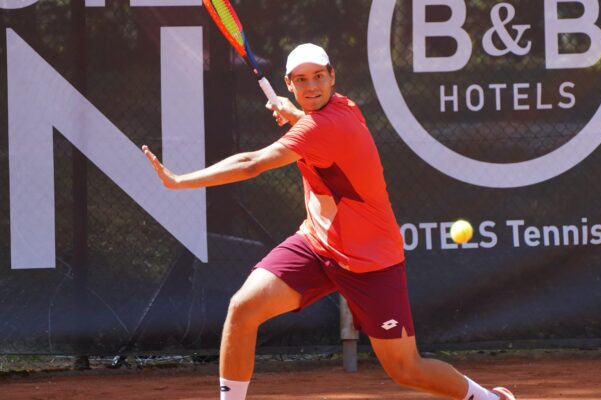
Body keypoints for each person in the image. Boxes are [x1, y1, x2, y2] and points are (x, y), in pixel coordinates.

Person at [142, 43, 515, 400]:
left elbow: (251, 163)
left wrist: (180, 181)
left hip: (371, 262)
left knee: (405, 368)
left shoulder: (320, 127)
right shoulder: (344, 109)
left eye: (318, 76)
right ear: (288, 84)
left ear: (332, 77)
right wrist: (295, 114)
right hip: (317, 246)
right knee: (243, 308)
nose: (311, 85)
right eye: (300, 80)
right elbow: (313, 126)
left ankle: (487, 398)